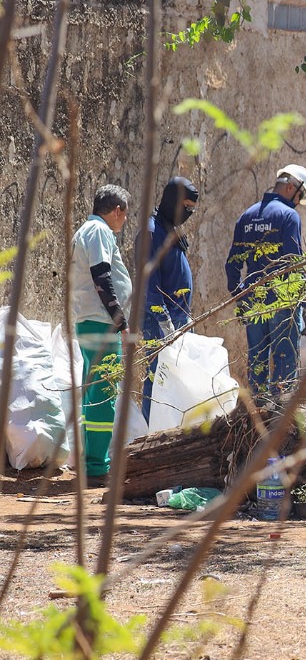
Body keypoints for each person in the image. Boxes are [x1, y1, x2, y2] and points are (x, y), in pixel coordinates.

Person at [227, 164, 306, 396]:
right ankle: (280, 422)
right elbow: (294, 263)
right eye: (299, 196)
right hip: (283, 302)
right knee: (284, 364)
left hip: (254, 301)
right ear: (292, 187)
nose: (297, 202)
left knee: (257, 363)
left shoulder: (247, 216)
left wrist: (240, 298)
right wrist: (305, 305)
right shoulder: (288, 216)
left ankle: (257, 417)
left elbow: (232, 265)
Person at [71, 184, 133, 485]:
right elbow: (102, 277)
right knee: (103, 394)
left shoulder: (87, 230)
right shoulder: (98, 231)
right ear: (117, 211)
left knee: (93, 392)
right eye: (125, 215)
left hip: (91, 321)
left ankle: (90, 463)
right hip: (101, 323)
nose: (124, 222)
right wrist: (120, 320)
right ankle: (97, 467)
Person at [142, 176, 200, 420]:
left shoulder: (167, 231)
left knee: (179, 380)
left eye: (192, 209)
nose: (188, 213)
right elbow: (149, 281)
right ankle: (150, 432)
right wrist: (164, 320)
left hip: (179, 317)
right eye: (185, 207)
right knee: (158, 378)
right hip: (160, 321)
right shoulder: (151, 232)